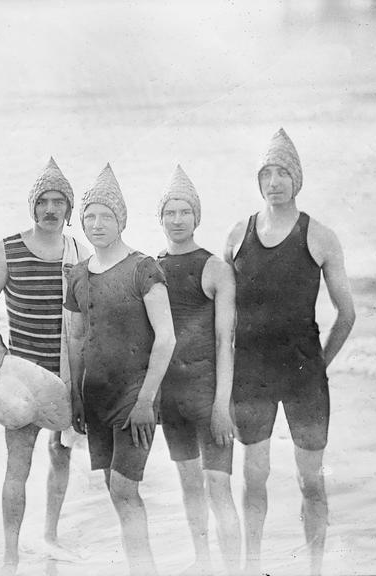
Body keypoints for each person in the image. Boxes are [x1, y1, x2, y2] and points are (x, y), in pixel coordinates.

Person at [223, 128, 356, 576]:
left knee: (310, 481)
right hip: (251, 375)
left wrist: (319, 364)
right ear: (258, 180)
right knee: (253, 476)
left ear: (296, 180)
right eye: (267, 173)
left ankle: (315, 568)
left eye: (283, 173)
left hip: (304, 378)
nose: (274, 181)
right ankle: (251, 566)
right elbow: (218, 314)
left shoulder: (319, 236)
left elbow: (347, 314)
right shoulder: (236, 234)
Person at [0, 157, 91, 575]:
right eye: (43, 200)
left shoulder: (79, 253)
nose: (51, 209)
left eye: (60, 201)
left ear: (69, 209)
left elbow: (86, 321)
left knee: (60, 456)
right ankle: (10, 555)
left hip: (63, 376)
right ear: (33, 206)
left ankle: (51, 536)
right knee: (17, 465)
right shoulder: (9, 248)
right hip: (21, 377)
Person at [65, 164, 177, 576]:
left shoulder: (143, 268)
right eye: (90, 216)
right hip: (96, 396)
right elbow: (76, 338)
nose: (97, 224)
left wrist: (147, 400)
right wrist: (75, 395)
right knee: (117, 491)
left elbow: (166, 338)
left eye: (106, 216)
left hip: (136, 397)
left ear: (121, 220)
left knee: (125, 488)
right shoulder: (77, 275)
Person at [156, 165, 242, 576]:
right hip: (171, 399)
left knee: (218, 486)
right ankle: (203, 563)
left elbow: (227, 341)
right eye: (170, 212)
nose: (177, 220)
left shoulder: (214, 268)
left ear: (196, 217)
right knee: (189, 485)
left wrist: (222, 405)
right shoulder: (150, 270)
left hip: (209, 395)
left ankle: (235, 569)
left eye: (184, 212)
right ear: (161, 218)